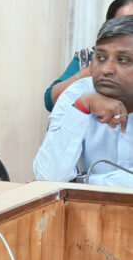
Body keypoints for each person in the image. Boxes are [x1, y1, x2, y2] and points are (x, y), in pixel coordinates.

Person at [34, 15, 133, 186]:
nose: (107, 69)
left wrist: (82, 182)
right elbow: (48, 178)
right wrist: (82, 107)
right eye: (101, 57)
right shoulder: (77, 93)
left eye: (123, 60)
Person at [43, 0, 133, 111]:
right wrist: (88, 72)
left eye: (123, 60)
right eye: (125, 21)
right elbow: (50, 101)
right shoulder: (87, 56)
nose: (107, 69)